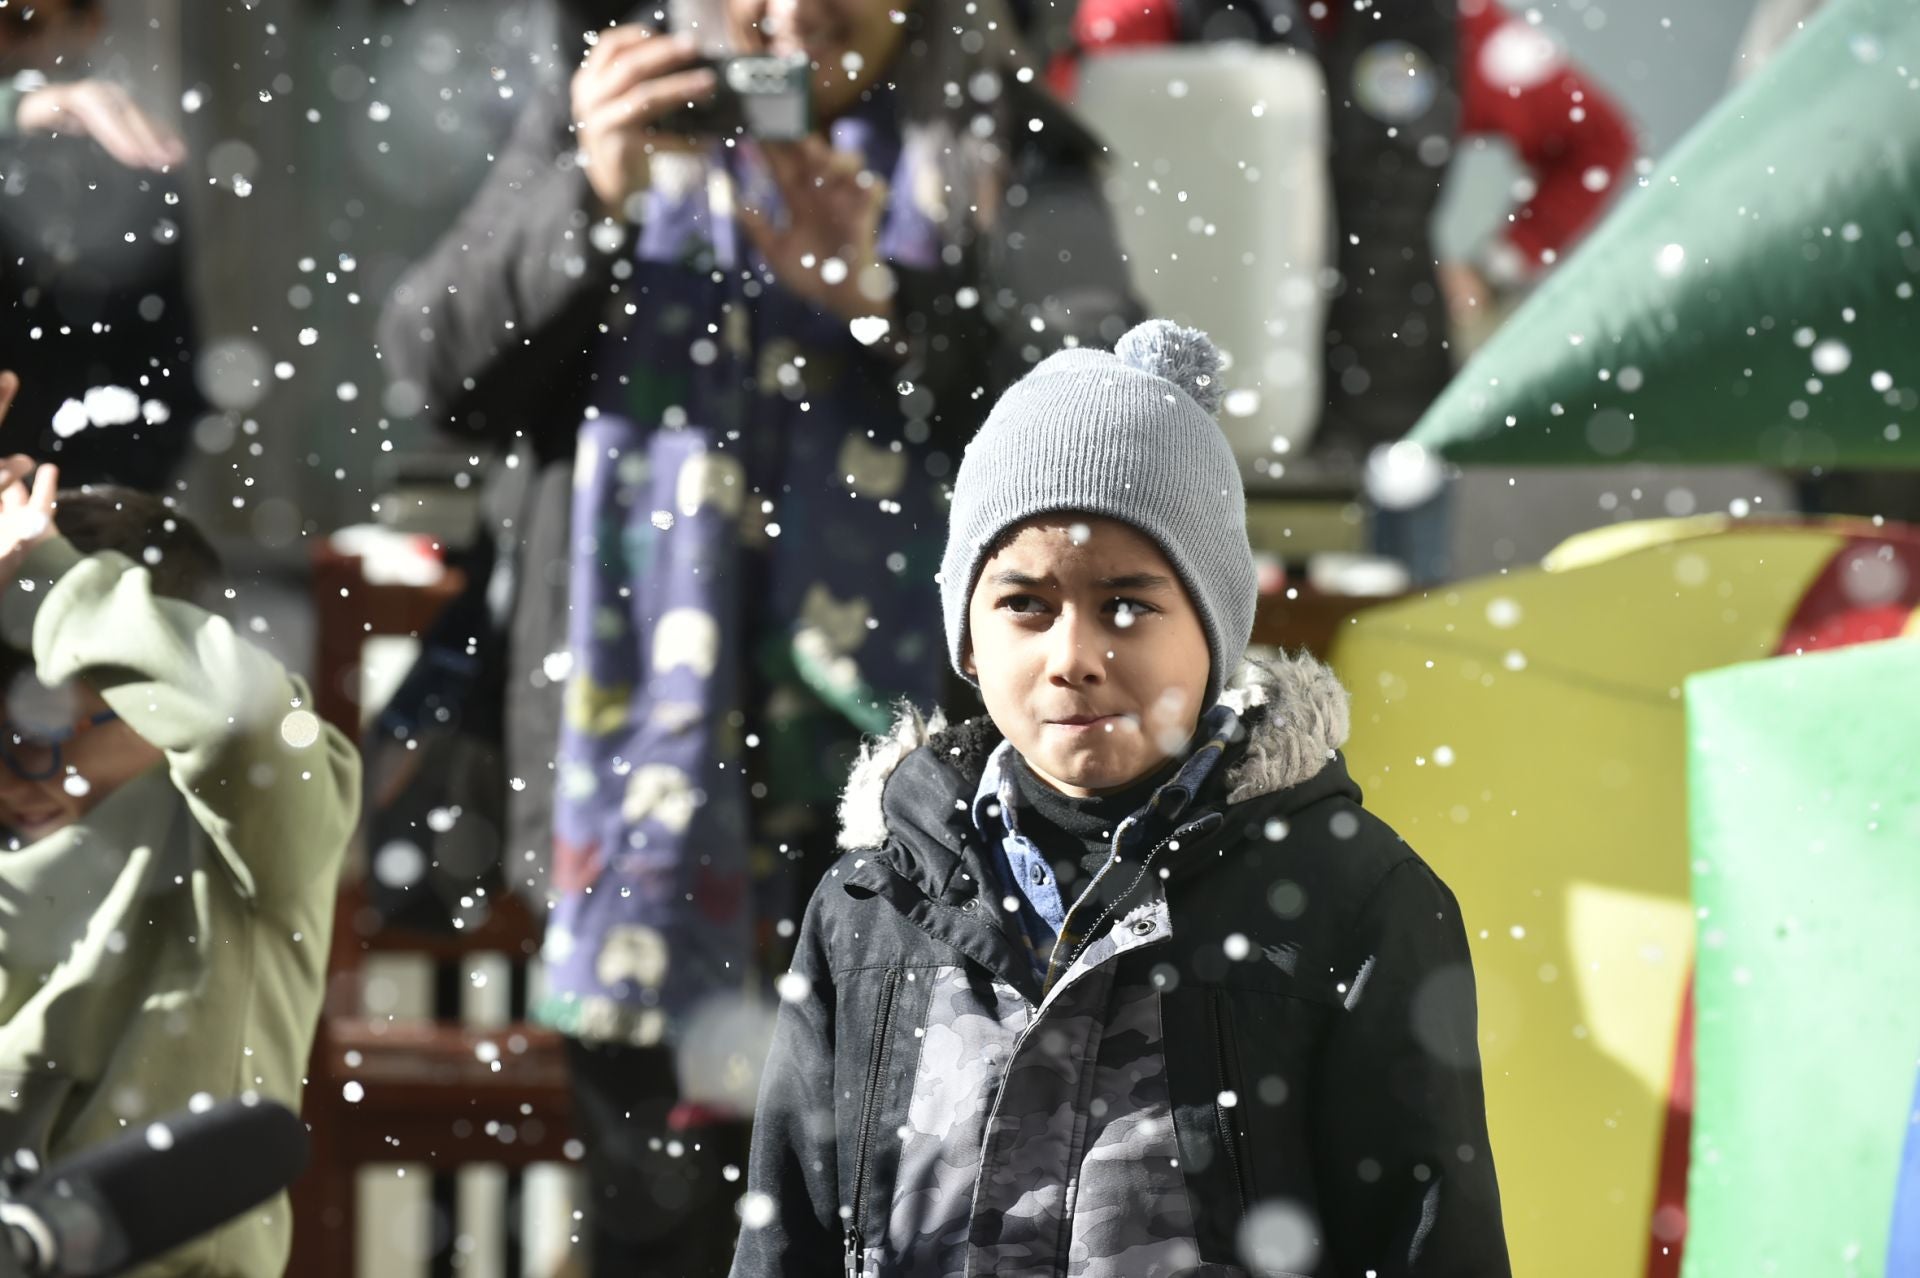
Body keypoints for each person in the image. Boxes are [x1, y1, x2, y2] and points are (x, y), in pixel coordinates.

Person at [377, 0, 1140, 1271]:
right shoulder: (613, 107)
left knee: (922, 1216)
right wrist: (592, 188)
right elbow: (437, 369)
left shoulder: (1003, 138)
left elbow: (1113, 441)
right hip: (650, 812)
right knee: (665, 1227)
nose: (787, 24)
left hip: (926, 810)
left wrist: (893, 301)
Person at [732, 319, 1509, 1276]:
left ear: (1215, 631)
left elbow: (1428, 1242)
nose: (1073, 660)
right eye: (1026, 604)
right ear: (968, 641)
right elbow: (787, 1239)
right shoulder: (869, 909)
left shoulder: (1353, 901)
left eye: (1129, 606)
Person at [0, 372, 360, 1278]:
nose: (29, 767)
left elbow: (237, 718)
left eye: (75, 723)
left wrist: (45, 581)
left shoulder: (244, 835)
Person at [0, 0, 202, 490]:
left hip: (72, 496)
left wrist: (108, 510)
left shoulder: (135, 176)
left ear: (86, 26)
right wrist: (17, 107)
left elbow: (166, 370)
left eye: (21, 22)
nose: (4, 42)